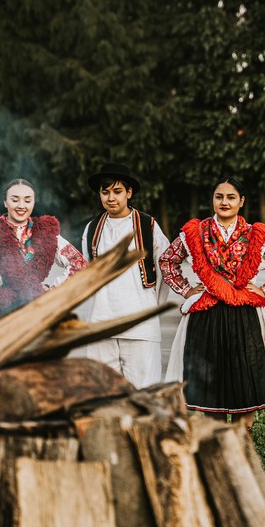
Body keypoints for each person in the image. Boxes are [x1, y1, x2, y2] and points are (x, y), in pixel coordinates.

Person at [159, 176, 265, 434]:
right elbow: (167, 261)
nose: (224, 202)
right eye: (219, 196)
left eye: (231, 197)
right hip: (206, 317)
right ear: (212, 199)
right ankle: (218, 453)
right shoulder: (195, 233)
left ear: (241, 202)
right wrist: (187, 290)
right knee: (212, 395)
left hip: (245, 316)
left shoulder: (255, 235)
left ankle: (243, 450)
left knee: (245, 389)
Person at [71, 163, 170, 388]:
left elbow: (165, 270)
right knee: (102, 392)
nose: (111, 198)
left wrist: (150, 310)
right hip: (101, 322)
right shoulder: (92, 228)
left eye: (117, 191)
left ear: (129, 192)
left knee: (143, 393)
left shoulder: (148, 225)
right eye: (105, 192)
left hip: (140, 326)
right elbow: (87, 274)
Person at [0, 178, 86, 328]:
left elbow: (79, 263)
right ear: (5, 202)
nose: (21, 206)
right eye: (15, 200)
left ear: (34, 202)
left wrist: (53, 290)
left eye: (27, 200)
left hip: (33, 311)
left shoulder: (45, 234)